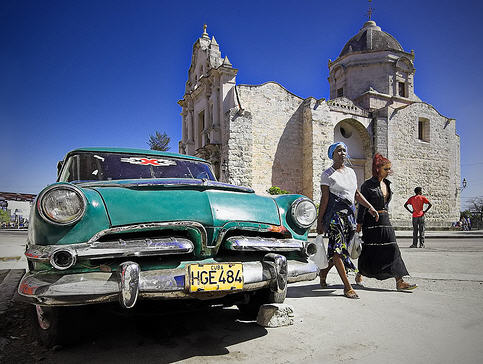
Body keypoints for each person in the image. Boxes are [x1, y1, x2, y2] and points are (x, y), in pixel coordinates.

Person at [317, 142, 379, 299]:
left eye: (344, 150)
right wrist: (319, 221)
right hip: (334, 217)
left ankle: (323, 272)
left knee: (343, 251)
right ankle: (347, 286)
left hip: (349, 216)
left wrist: (370, 207)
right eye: (338, 150)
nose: (342, 153)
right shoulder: (327, 174)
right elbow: (324, 198)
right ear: (332, 154)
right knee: (337, 250)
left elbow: (356, 194)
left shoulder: (351, 172)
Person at [355, 153, 417, 291]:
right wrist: (359, 224)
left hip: (385, 219)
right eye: (386, 169)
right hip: (371, 223)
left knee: (393, 248)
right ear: (378, 168)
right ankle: (361, 272)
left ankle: (399, 281)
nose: (389, 171)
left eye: (389, 169)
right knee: (370, 249)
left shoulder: (387, 184)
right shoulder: (367, 185)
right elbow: (362, 206)